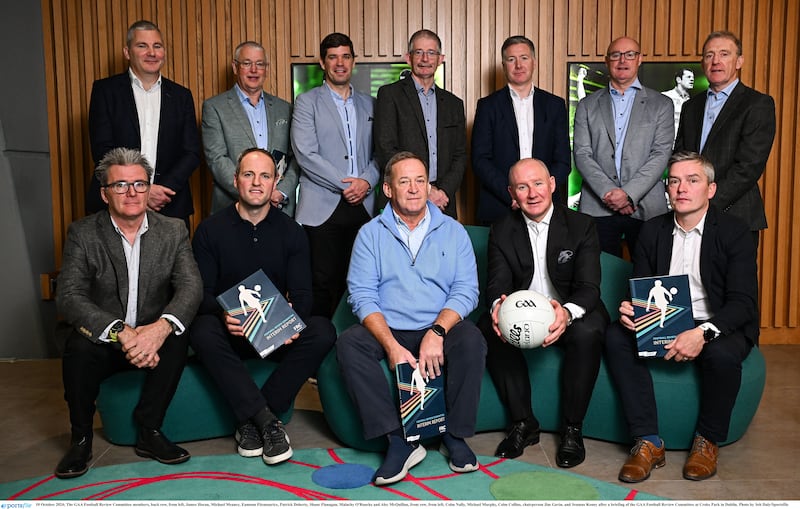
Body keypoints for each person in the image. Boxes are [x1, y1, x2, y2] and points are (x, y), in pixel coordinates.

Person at [605, 151, 758, 483]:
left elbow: (743, 303)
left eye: (692, 180)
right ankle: (647, 440)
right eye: (674, 181)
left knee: (721, 353)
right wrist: (632, 309)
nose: (681, 188)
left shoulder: (735, 231)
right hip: (668, 318)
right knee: (616, 335)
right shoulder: (651, 231)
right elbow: (643, 289)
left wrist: (702, 333)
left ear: (711, 189)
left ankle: (707, 440)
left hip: (719, 322)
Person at [337, 152, 485, 486]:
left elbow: (466, 290)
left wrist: (437, 331)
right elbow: (361, 295)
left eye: (421, 180)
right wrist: (390, 345)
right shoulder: (369, 234)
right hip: (390, 328)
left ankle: (454, 436)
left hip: (440, 326)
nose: (415, 189)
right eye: (404, 181)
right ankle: (398, 441)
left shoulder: (454, 231)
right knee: (349, 344)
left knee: (472, 339)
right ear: (388, 189)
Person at [55, 147, 202, 479]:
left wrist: (159, 329)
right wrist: (122, 332)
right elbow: (69, 296)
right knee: (77, 347)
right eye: (120, 186)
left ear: (149, 188)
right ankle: (80, 439)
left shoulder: (173, 230)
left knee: (179, 334)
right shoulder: (83, 233)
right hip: (105, 340)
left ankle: (149, 431)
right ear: (106, 194)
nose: (132, 192)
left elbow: (191, 287)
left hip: (152, 337)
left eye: (139, 184)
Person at [189, 148, 336, 465]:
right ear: (235, 180)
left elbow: (303, 294)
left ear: (275, 183)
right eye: (249, 174)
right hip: (232, 334)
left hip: (274, 335)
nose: (257, 183)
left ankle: (251, 420)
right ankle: (268, 421)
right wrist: (224, 314)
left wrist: (291, 323)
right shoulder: (210, 230)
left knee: (322, 330)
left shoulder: (292, 232)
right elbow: (201, 293)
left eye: (265, 176)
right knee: (201, 329)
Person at [480, 158, 609, 467]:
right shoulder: (501, 229)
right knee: (487, 326)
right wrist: (499, 310)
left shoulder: (582, 225)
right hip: (524, 314)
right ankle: (523, 423)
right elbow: (496, 284)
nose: (532, 193)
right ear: (512, 192)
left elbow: (590, 287)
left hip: (569, 311)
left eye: (538, 184)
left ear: (552, 184)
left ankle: (572, 429)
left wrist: (566, 314)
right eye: (522, 187)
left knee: (589, 330)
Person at [291, 32, 380, 318]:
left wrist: (366, 182)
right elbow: (305, 154)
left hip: (364, 205)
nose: (339, 63)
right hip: (322, 206)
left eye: (345, 56)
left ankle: (352, 349)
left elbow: (381, 152)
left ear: (353, 61)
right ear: (322, 62)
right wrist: (348, 184)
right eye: (332, 57)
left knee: (360, 281)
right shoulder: (306, 102)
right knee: (322, 282)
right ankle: (320, 349)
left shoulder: (371, 104)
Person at [87, 20, 201, 225]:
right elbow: (102, 150)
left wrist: (159, 191)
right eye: (142, 46)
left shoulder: (181, 96)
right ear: (127, 52)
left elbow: (191, 152)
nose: (152, 52)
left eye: (157, 46)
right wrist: (140, 190)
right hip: (116, 202)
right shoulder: (105, 91)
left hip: (169, 204)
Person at [573, 36, 674, 257]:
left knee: (648, 278)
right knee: (600, 278)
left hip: (647, 207)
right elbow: (582, 154)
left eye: (630, 54)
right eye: (616, 55)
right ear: (607, 60)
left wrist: (628, 195)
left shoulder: (662, 105)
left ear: (639, 59)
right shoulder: (587, 106)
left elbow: (661, 154)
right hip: (598, 206)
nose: (622, 60)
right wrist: (610, 193)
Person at [675, 31, 776, 248]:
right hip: (691, 216)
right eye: (709, 55)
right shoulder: (691, 106)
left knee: (735, 282)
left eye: (724, 54)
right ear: (703, 63)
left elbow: (749, 165)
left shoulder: (757, 104)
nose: (716, 61)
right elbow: (680, 156)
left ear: (739, 61)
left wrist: (706, 202)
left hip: (736, 214)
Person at [472, 35, 571, 224]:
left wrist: (541, 195)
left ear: (533, 62)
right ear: (504, 65)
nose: (518, 65)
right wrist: (513, 195)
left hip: (546, 206)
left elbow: (563, 161)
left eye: (524, 58)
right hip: (500, 206)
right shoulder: (487, 106)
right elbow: (480, 160)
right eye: (511, 59)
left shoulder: (555, 105)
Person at [373, 29, 466, 219]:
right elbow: (385, 149)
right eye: (419, 52)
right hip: (402, 198)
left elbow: (460, 155)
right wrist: (426, 190)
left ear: (441, 59)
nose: (425, 58)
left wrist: (442, 192)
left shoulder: (454, 104)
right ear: (408, 58)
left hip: (443, 203)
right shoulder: (389, 95)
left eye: (431, 53)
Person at [202, 41, 299, 216]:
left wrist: (280, 192)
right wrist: (254, 194)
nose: (254, 70)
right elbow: (216, 159)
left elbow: (296, 159)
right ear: (235, 67)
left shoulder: (285, 109)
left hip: (279, 208)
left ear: (266, 69)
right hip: (232, 209)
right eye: (247, 63)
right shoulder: (214, 107)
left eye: (260, 64)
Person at [662, 68, 694, 141]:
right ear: (679, 80)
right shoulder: (665, 96)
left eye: (692, 77)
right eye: (688, 77)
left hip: (682, 144)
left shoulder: (691, 101)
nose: (692, 80)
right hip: (666, 141)